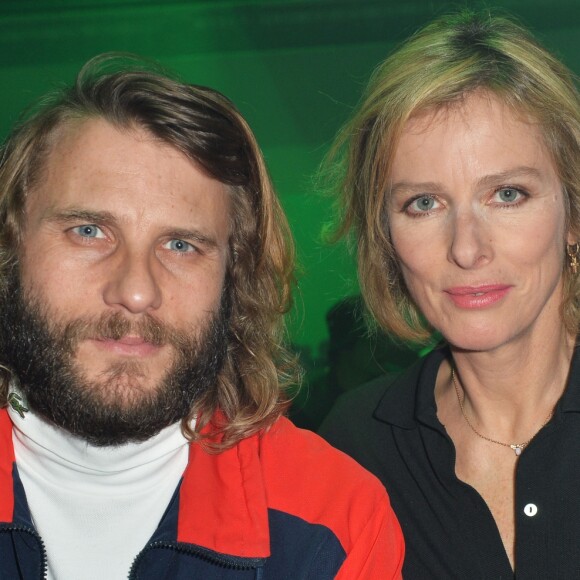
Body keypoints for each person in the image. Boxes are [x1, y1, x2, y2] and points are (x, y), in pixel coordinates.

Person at [0, 56, 404, 579]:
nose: (137, 292)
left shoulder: (334, 522)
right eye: (88, 231)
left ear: (233, 280)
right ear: (12, 249)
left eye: (181, 244)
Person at [319, 10, 580, 579]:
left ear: (573, 214)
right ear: (385, 238)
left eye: (507, 194)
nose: (466, 248)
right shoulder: (355, 444)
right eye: (424, 204)